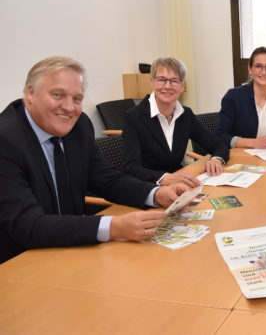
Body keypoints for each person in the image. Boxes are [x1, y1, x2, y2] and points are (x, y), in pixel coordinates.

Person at [0, 56, 187, 263]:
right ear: (30, 94)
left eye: (77, 99)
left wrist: (156, 194)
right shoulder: (5, 140)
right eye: (57, 95)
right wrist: (113, 227)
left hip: (72, 249)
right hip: (18, 262)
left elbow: (107, 180)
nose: (69, 108)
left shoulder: (79, 126)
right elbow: (28, 226)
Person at [122, 57, 229, 187]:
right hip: (149, 190)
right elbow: (132, 168)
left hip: (181, 187)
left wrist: (217, 159)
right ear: (152, 83)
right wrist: (165, 178)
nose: (167, 86)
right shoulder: (133, 118)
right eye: (161, 80)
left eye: (174, 81)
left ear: (182, 86)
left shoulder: (185, 115)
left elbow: (218, 145)